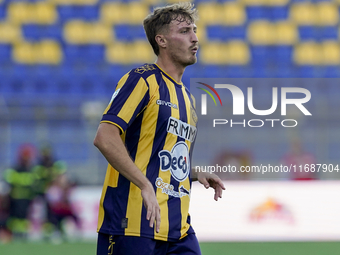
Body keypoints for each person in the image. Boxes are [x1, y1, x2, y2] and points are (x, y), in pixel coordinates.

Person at [94, 3, 225, 255]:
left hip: (177, 228)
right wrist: (144, 185)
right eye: (185, 31)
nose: (195, 38)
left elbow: (160, 159)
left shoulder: (188, 98)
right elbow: (105, 137)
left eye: (195, 30)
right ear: (161, 40)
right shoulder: (142, 79)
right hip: (131, 223)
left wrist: (194, 173)